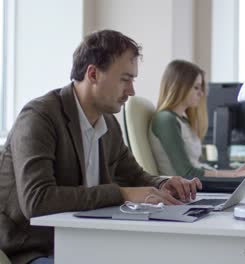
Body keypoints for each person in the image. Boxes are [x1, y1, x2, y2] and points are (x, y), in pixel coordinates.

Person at [0, 30, 202, 264]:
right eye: (125, 79)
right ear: (93, 74)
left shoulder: (107, 123)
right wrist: (122, 194)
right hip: (34, 248)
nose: (131, 91)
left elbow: (134, 176)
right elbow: (38, 201)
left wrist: (164, 184)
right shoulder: (39, 117)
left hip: (85, 241)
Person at [150, 60, 245, 180]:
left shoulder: (182, 120)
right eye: (196, 88)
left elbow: (197, 166)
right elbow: (187, 173)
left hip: (196, 184)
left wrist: (237, 171)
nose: (201, 94)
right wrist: (235, 175)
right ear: (179, 87)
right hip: (185, 188)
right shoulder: (165, 120)